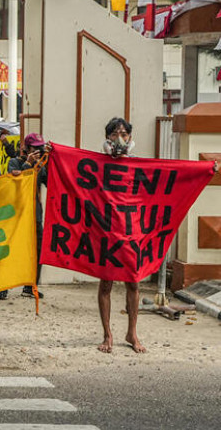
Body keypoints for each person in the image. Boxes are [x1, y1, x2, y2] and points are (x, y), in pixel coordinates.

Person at [97, 118, 145, 354]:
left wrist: (205, 170)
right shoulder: (98, 165)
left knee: (133, 283)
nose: (120, 138)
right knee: (106, 283)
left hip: (131, 231)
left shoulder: (137, 166)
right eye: (116, 133)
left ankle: (132, 333)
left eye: (125, 134)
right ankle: (107, 335)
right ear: (107, 138)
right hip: (107, 231)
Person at [0, 133, 47, 301]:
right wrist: (28, 164)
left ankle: (31, 285)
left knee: (37, 249)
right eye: (35, 148)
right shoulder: (15, 163)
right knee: (11, 249)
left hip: (35, 213)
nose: (38, 151)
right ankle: (4, 286)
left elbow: (51, 181)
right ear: (26, 148)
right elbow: (17, 183)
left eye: (40, 148)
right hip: (16, 213)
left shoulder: (41, 166)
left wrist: (51, 160)